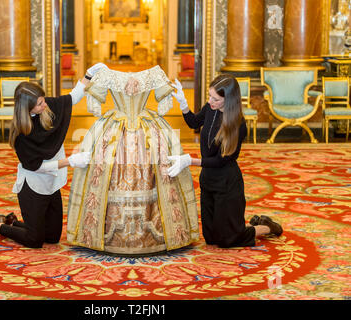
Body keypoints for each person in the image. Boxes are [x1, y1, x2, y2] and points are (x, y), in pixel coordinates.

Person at [66, 65, 199, 255]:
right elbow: (163, 103)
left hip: (117, 126)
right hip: (142, 125)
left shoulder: (137, 74)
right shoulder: (151, 73)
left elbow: (95, 102)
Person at [0, 63, 107, 248]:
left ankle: (13, 222)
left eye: (43, 100)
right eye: (39, 103)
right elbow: (38, 167)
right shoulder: (20, 135)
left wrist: (88, 75)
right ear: (27, 108)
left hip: (51, 184)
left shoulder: (46, 108)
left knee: (52, 237)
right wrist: (69, 161)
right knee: (35, 240)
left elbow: (73, 97)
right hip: (33, 187)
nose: (45, 104)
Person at [169, 75, 283, 248]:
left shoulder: (238, 125)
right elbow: (194, 123)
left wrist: (190, 161)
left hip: (227, 183)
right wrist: (183, 103)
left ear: (228, 100)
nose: (210, 101)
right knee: (211, 238)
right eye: (209, 96)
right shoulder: (210, 108)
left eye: (215, 99)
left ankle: (267, 227)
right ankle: (247, 225)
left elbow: (220, 161)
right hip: (208, 180)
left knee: (227, 239)